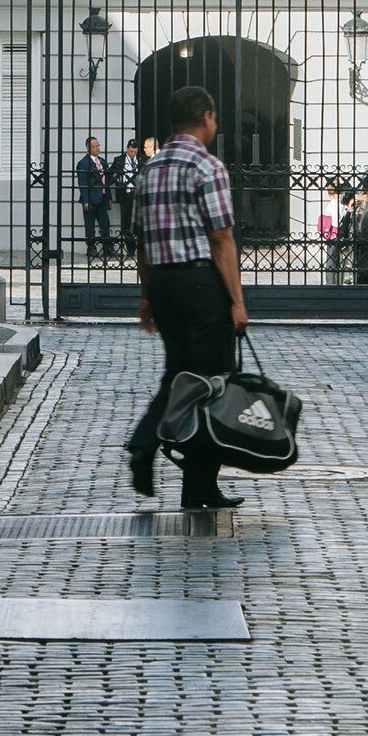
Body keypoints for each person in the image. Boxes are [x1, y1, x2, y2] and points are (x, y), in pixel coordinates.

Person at [122, 83, 250, 511]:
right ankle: (195, 481)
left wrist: (145, 298)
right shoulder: (207, 167)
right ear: (208, 117)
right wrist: (236, 300)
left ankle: (160, 456)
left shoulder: (150, 169)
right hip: (199, 284)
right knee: (213, 380)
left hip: (161, 282)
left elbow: (140, 240)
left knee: (180, 373)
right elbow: (221, 238)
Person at [72, 133, 115, 255]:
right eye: (94, 146)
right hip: (90, 198)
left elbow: (105, 181)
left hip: (102, 198)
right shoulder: (84, 163)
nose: (97, 148)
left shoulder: (102, 161)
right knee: (90, 225)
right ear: (88, 148)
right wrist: (86, 200)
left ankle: (107, 248)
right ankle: (91, 248)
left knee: (105, 224)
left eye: (98, 145)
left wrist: (109, 198)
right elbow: (83, 183)